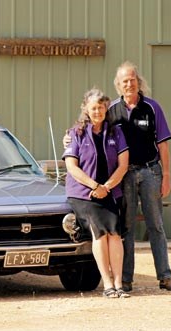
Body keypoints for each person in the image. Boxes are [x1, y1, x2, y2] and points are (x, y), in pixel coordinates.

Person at [108, 61, 171, 292]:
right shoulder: (111, 110)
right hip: (125, 175)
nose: (129, 84)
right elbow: (93, 130)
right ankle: (127, 279)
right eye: (124, 81)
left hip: (151, 171)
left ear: (138, 82)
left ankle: (165, 276)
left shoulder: (152, 107)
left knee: (156, 225)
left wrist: (167, 175)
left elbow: (163, 145)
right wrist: (69, 139)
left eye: (132, 79)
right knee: (127, 227)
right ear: (118, 86)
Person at [63, 88, 130, 298]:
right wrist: (94, 186)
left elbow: (123, 165)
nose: (97, 111)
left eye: (101, 107)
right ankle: (107, 285)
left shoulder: (116, 132)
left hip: (109, 191)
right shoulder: (76, 133)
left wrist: (107, 187)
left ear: (106, 108)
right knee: (100, 232)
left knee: (115, 233)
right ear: (86, 109)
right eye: (93, 108)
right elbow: (72, 167)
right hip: (84, 194)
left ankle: (119, 284)